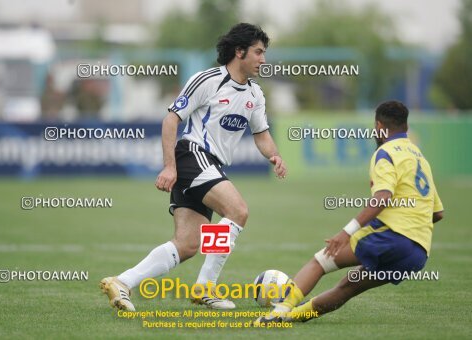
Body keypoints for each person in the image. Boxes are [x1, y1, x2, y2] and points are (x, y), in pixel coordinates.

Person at [101, 23, 287, 311]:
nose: (263, 59)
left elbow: (261, 135)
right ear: (239, 52)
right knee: (237, 211)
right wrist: (169, 167)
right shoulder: (208, 80)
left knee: (188, 244)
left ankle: (121, 281)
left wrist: (274, 156)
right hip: (193, 155)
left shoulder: (255, 95)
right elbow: (171, 120)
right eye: (258, 52)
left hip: (208, 166)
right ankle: (205, 288)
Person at [255, 100, 444, 325]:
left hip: (390, 237)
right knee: (348, 286)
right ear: (405, 126)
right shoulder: (420, 157)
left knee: (320, 261)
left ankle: (279, 311)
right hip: (418, 253)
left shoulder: (385, 153)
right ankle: (289, 318)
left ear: (379, 126)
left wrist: (347, 232)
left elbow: (383, 197)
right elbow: (438, 213)